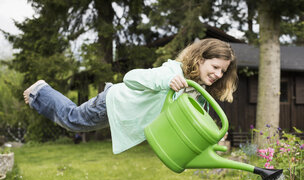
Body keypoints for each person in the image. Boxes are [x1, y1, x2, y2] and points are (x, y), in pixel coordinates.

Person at [23, 38, 238, 154]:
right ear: (200, 59)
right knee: (73, 120)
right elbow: (131, 77)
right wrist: (166, 81)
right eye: (215, 67)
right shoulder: (173, 72)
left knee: (74, 122)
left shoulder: (198, 94)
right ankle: (40, 92)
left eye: (222, 72)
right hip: (114, 102)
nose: (218, 75)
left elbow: (192, 122)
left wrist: (214, 136)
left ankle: (41, 93)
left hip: (124, 113)